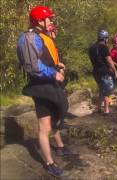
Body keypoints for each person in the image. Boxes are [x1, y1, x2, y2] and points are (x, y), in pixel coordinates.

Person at [16, 6, 71, 177]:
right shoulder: (29, 38)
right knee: (44, 126)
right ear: (40, 21)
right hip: (41, 87)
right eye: (50, 19)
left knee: (57, 114)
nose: (52, 22)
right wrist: (53, 73)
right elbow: (33, 67)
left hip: (49, 84)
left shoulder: (41, 36)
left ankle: (60, 147)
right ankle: (49, 163)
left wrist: (57, 66)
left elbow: (44, 59)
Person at [88, 30, 117, 114]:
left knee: (101, 89)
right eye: (107, 38)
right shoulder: (104, 47)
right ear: (104, 38)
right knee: (106, 91)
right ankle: (106, 110)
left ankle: (98, 109)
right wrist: (114, 70)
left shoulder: (91, 48)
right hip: (104, 71)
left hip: (95, 71)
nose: (107, 40)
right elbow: (109, 60)